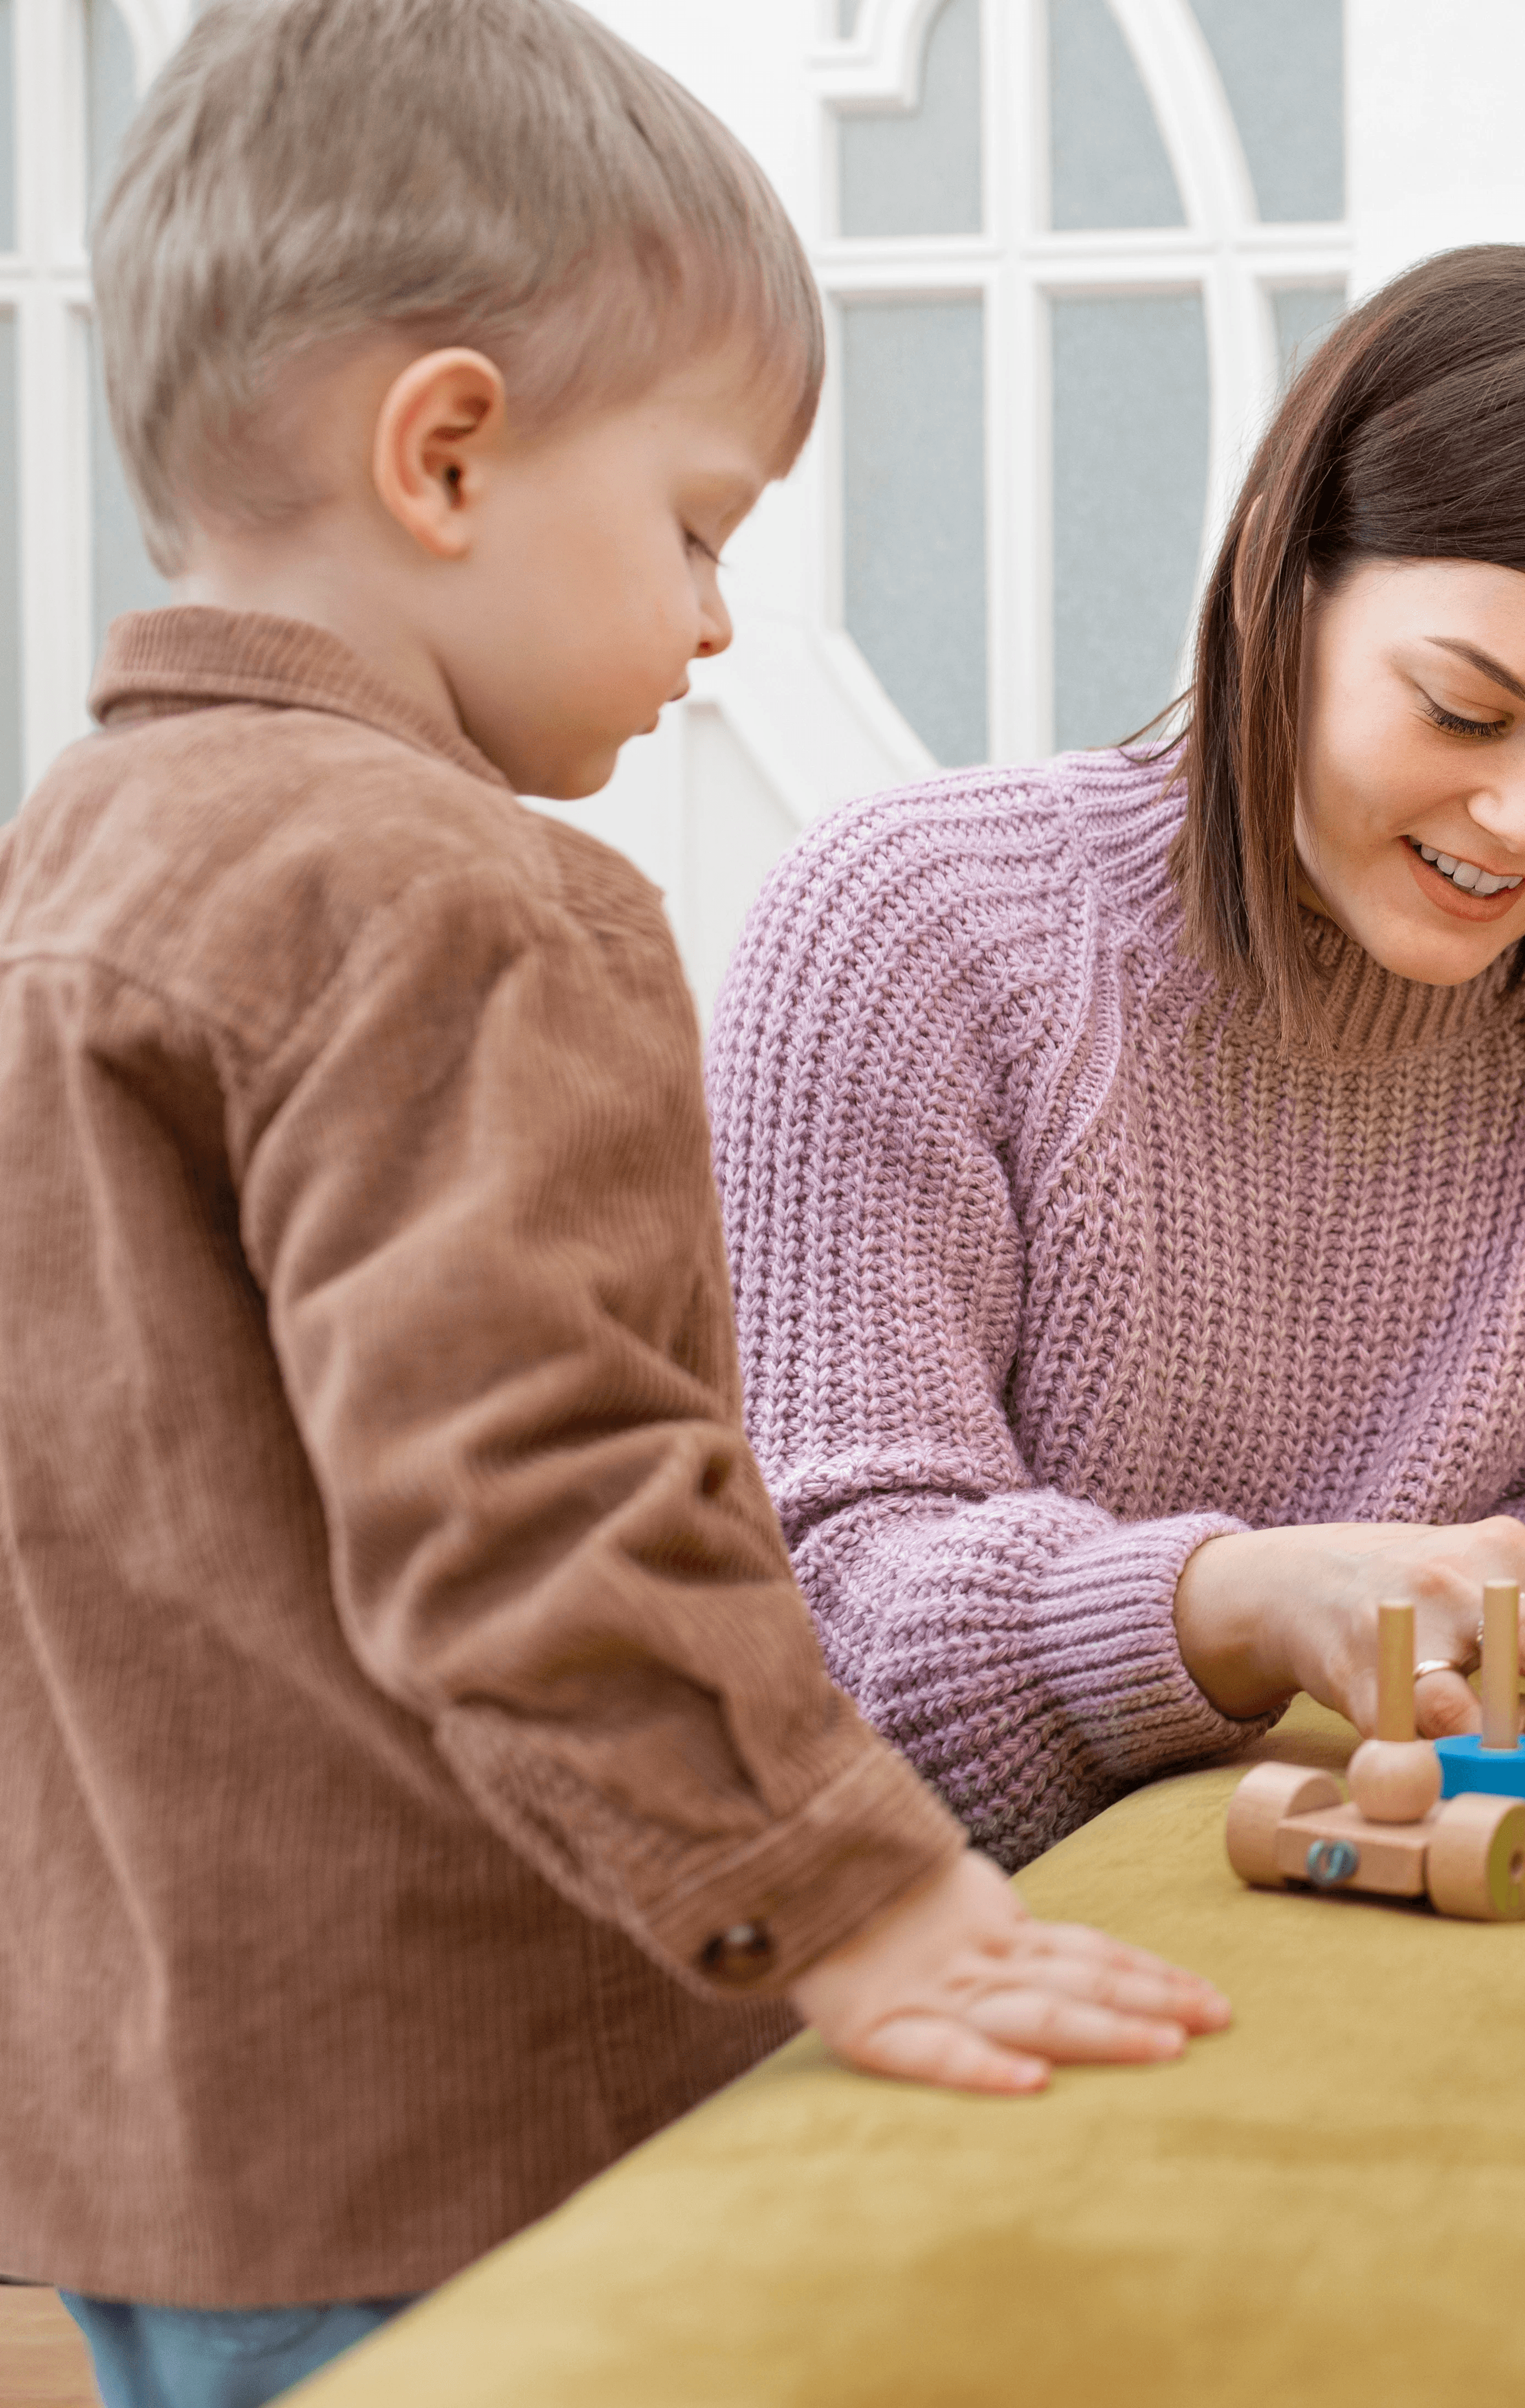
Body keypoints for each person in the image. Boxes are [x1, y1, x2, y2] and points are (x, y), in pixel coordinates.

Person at [0, 5, 1223, 2402]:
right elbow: (538, 1484)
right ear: (445, 451)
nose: (717, 623)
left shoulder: (66, 869)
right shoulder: (460, 899)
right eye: (694, 525)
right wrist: (854, 1890)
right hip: (459, 2109)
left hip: (145, 2108)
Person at [709, 245, 1525, 1873]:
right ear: (1288, 593)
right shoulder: (917, 928)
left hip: (1377, 1876)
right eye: (1466, 715)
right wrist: (1245, 1602)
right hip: (927, 1947)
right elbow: (825, 1617)